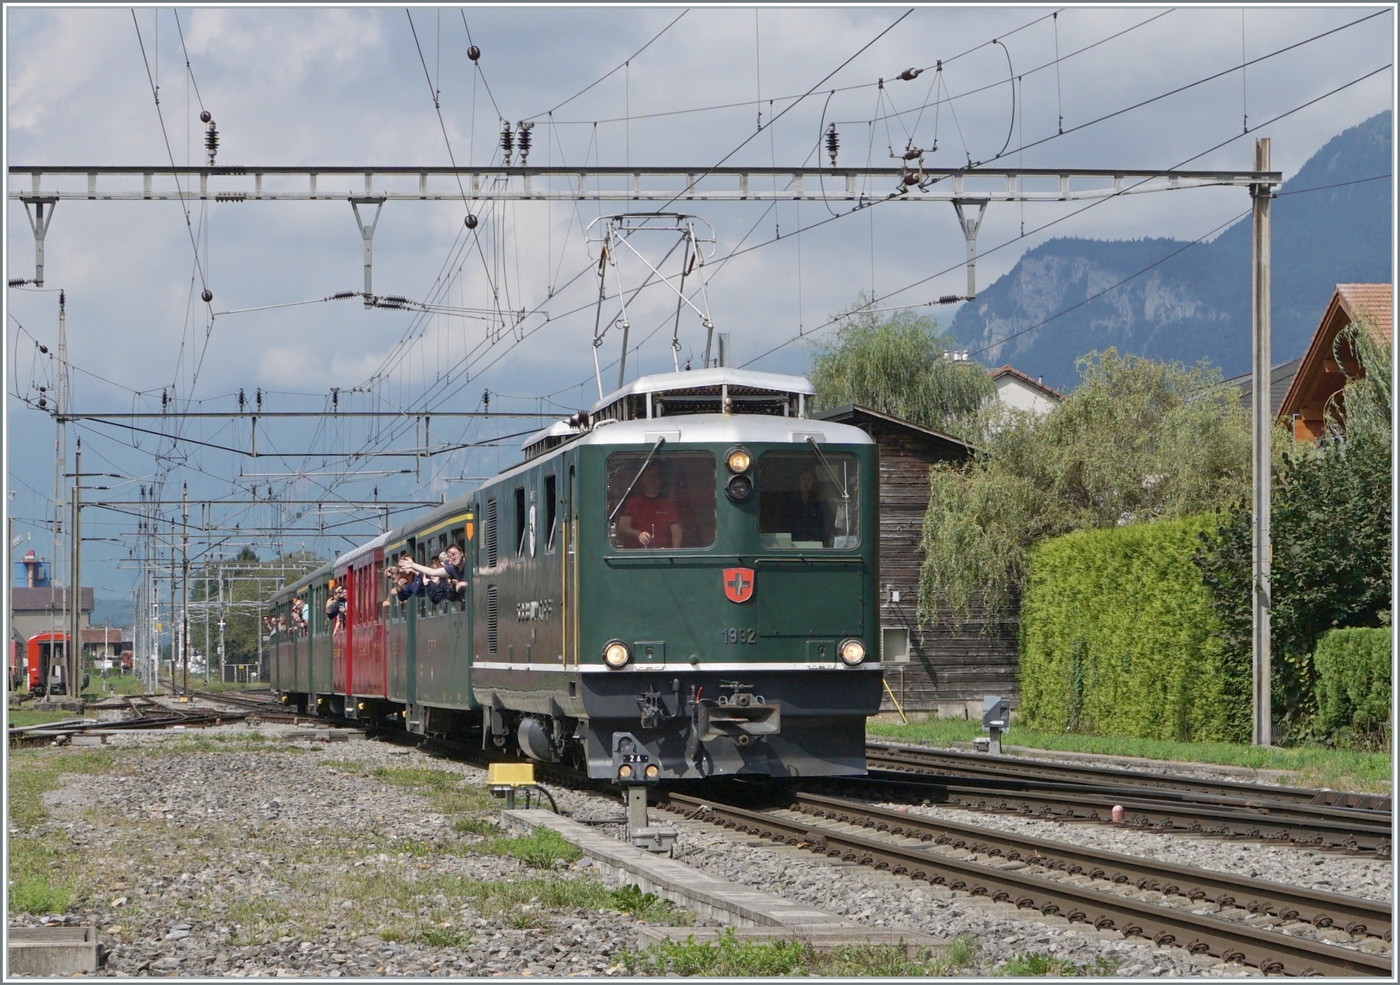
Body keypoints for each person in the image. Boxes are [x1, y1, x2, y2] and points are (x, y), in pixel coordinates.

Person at [617, 464, 682, 548]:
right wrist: (638, 534)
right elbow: (622, 527)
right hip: (635, 555)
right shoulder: (632, 502)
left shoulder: (668, 503)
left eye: (655, 476)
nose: (652, 480)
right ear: (642, 479)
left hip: (662, 554)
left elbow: (676, 530)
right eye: (649, 476)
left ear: (660, 480)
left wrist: (674, 553)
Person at [400, 545, 467, 604]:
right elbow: (432, 572)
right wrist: (412, 565)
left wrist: (461, 584)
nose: (453, 557)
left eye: (454, 554)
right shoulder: (451, 569)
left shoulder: (469, 563)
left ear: (461, 553)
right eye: (450, 556)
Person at [786, 469, 832, 546]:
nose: (806, 482)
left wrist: (815, 539)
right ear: (798, 481)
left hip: (815, 544)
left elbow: (824, 525)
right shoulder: (790, 503)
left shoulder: (820, 504)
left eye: (809, 479)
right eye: (803, 479)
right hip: (793, 544)